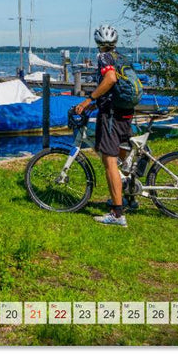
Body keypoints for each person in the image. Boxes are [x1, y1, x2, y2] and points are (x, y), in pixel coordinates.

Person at [72, 24, 135, 227]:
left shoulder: (104, 57)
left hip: (112, 115)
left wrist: (89, 99)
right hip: (125, 111)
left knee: (109, 161)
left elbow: (110, 79)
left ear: (97, 41)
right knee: (123, 155)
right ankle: (129, 197)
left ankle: (117, 214)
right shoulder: (121, 57)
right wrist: (97, 103)